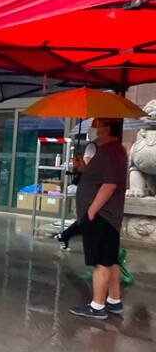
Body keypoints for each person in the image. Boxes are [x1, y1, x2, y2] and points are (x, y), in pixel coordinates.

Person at [69, 118, 128, 320]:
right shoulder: (106, 151)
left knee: (101, 262)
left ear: (107, 128)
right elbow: (98, 177)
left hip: (102, 216)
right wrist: (82, 167)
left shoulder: (112, 151)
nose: (92, 129)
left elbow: (109, 185)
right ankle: (114, 300)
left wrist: (92, 211)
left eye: (95, 125)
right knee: (110, 260)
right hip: (105, 216)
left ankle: (97, 305)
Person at [56, 140, 97, 250]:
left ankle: (64, 235)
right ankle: (64, 235)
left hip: (89, 187)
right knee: (87, 219)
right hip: (85, 188)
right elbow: (87, 165)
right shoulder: (93, 147)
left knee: (87, 219)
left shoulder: (98, 148)